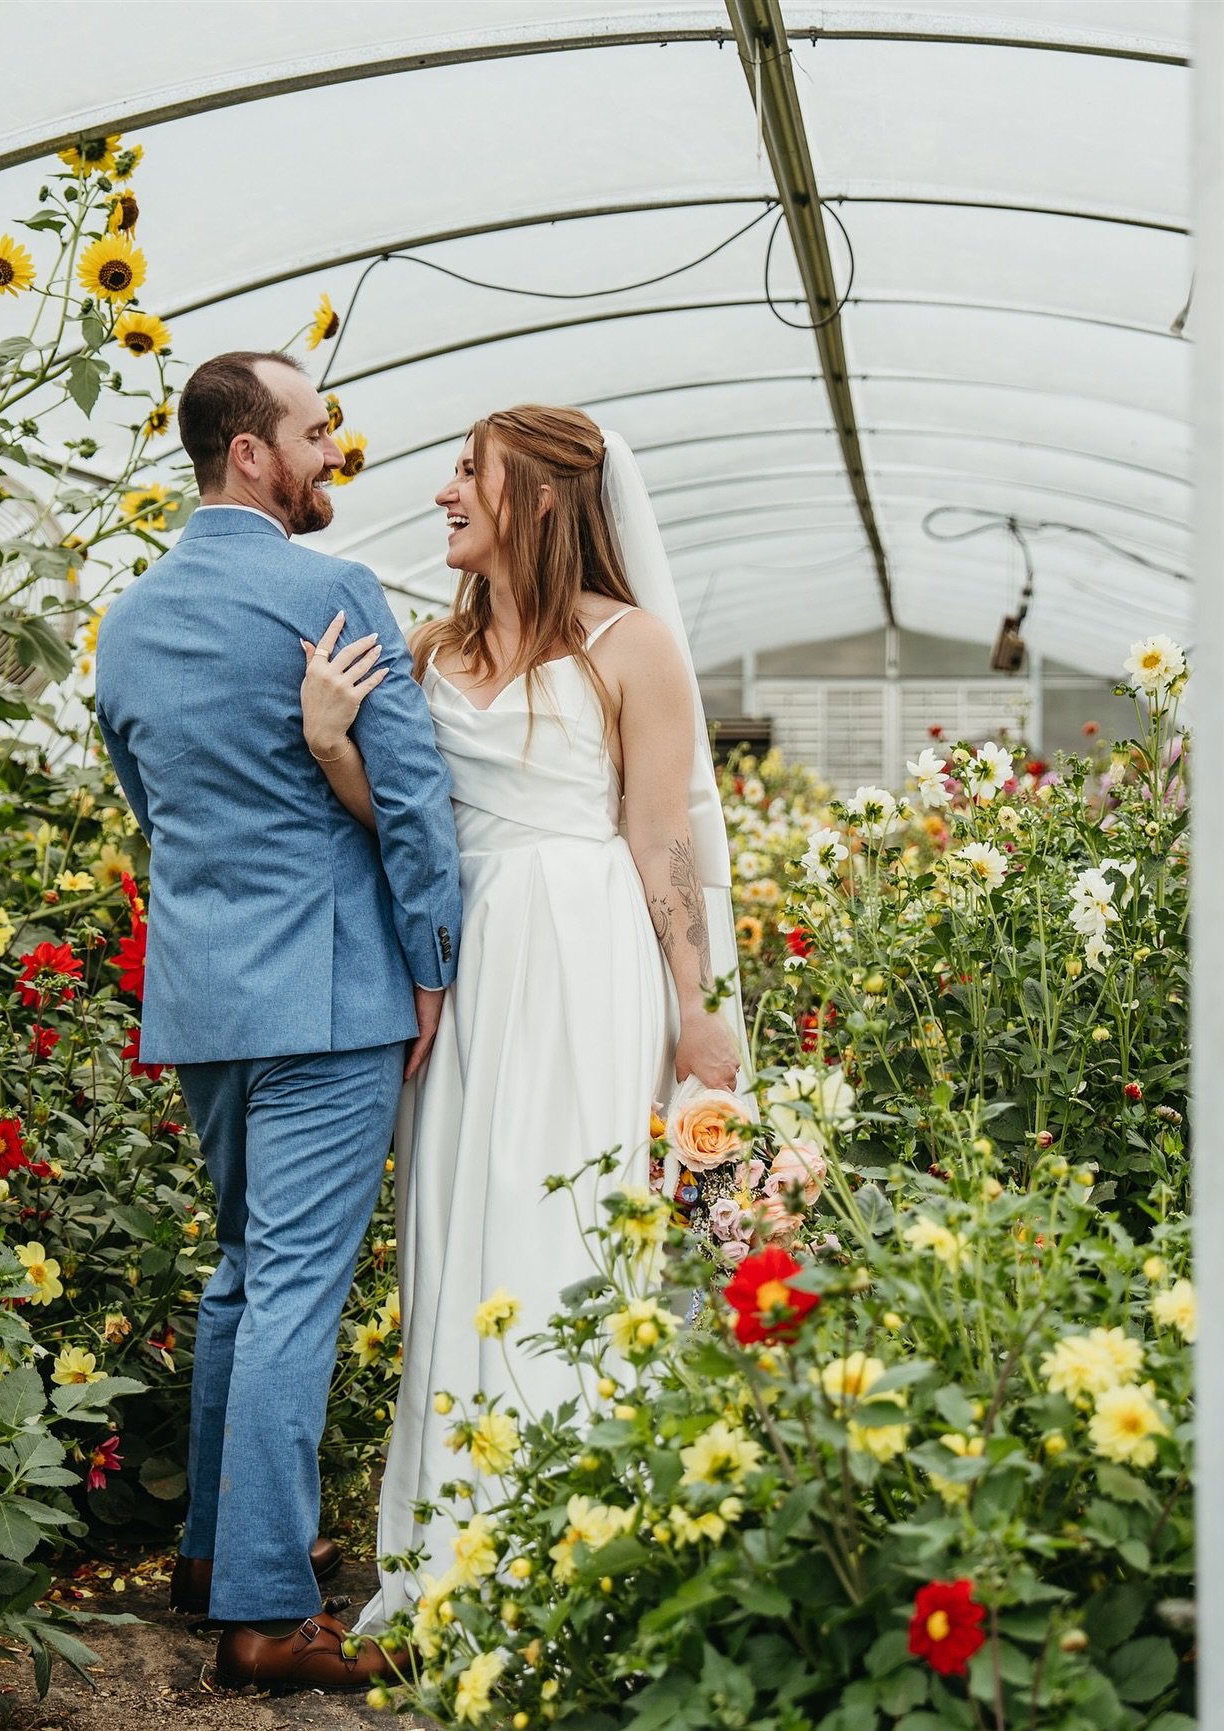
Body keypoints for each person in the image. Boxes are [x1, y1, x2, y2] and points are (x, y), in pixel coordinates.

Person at [296, 405, 744, 1630]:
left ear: (537, 497)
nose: (443, 491)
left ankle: (581, 1547)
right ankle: (458, 1546)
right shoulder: (429, 648)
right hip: (466, 961)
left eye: (467, 472)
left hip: (588, 960)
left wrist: (696, 1010)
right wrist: (334, 748)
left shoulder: (631, 645)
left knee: (573, 1226)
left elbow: (662, 837)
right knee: (456, 1228)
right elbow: (411, 824)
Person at [94, 350, 462, 1692]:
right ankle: (264, 1613)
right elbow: (411, 798)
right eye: (314, 431)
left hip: (206, 995)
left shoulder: (126, 623)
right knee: (296, 1289)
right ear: (250, 452)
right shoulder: (328, 591)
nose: (332, 452)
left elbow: (152, 802)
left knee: (247, 1272)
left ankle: (211, 1553)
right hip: (327, 991)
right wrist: (432, 961)